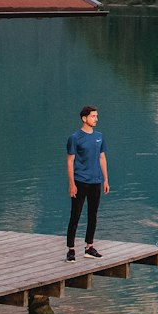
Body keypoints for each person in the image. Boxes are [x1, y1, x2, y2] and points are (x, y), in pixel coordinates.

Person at [66, 105, 109, 261]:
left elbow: (102, 158)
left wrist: (106, 179)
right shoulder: (75, 138)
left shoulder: (99, 136)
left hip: (96, 181)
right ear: (84, 118)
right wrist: (72, 184)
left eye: (97, 116)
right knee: (75, 215)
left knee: (93, 215)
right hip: (80, 181)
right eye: (93, 116)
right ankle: (71, 250)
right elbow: (70, 162)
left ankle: (89, 247)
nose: (96, 119)